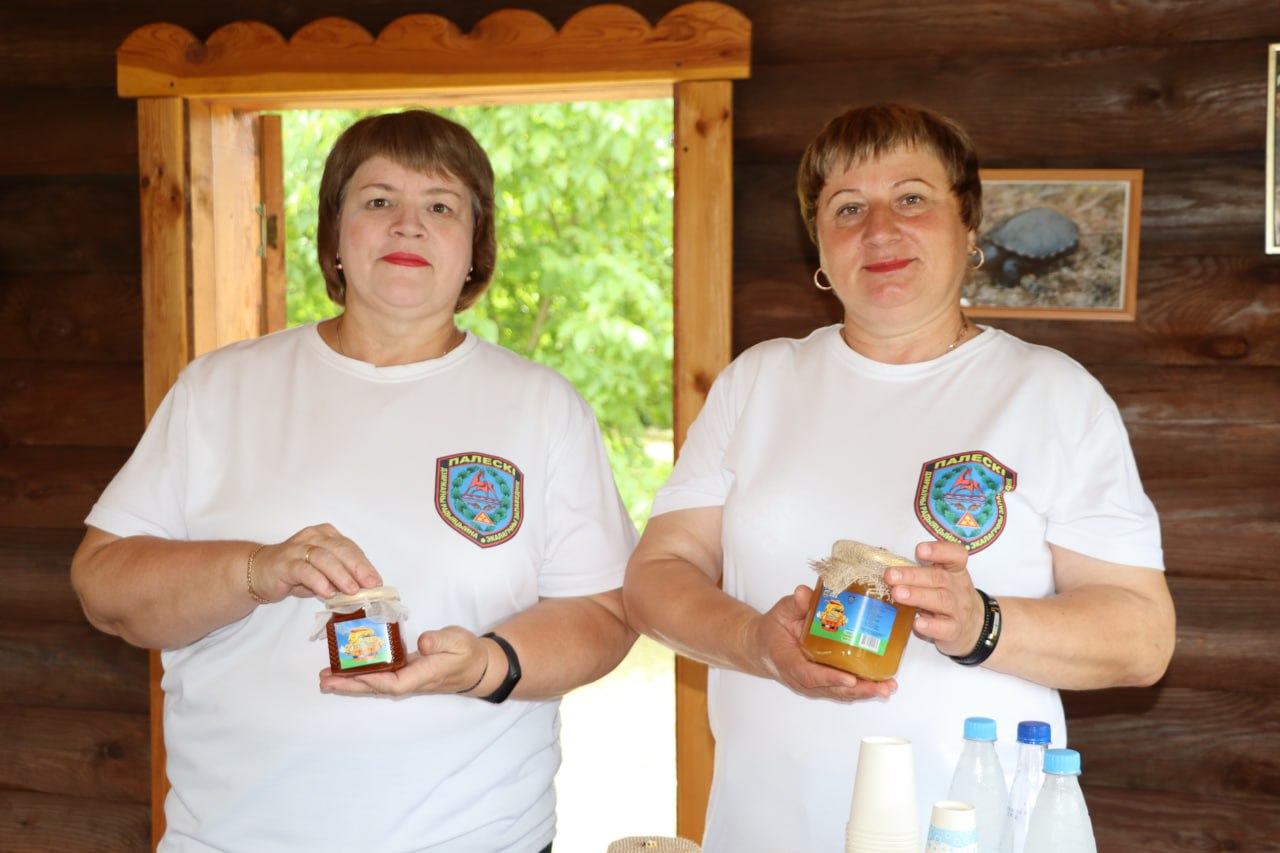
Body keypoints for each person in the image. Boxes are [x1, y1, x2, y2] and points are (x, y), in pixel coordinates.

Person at [70, 110, 638, 852]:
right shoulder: (220, 389)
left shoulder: (541, 405)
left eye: (441, 206)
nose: (408, 224)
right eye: (378, 200)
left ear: (477, 249)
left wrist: (485, 665)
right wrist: (256, 568)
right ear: (334, 236)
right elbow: (103, 585)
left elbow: (606, 612)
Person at [623, 103, 1175, 852]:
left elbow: (1143, 637)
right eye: (848, 208)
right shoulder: (758, 382)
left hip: (974, 830)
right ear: (820, 246)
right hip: (766, 826)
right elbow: (656, 575)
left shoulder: (1051, 393)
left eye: (912, 198)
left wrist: (982, 624)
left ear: (969, 226)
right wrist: (756, 641)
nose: (879, 229)